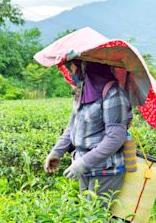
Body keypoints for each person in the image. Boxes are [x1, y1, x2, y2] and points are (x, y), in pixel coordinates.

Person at [44, 59, 131, 206]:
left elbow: (115, 137)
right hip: (84, 166)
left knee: (96, 216)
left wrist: (83, 163)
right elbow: (73, 126)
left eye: (72, 68)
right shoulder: (82, 90)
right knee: (86, 213)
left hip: (106, 169)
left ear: (85, 67)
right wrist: (56, 152)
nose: (71, 73)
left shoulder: (113, 92)